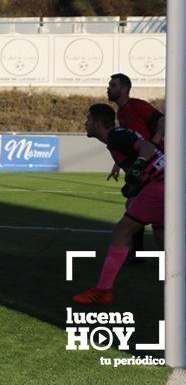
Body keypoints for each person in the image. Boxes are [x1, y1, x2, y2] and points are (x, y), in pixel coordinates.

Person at [73, 104, 165, 305]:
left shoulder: (116, 136)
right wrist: (135, 184)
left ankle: (103, 290)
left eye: (88, 119)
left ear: (97, 122)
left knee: (121, 232)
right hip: (162, 183)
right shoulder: (116, 137)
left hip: (160, 184)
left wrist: (139, 167)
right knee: (161, 237)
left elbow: (148, 147)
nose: (85, 123)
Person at [106, 73, 165, 262]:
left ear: (124, 89)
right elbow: (131, 141)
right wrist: (117, 164)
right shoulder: (121, 113)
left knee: (133, 203)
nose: (108, 88)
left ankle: (136, 254)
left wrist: (153, 143)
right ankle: (138, 254)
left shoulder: (138, 105)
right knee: (134, 203)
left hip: (157, 162)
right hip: (146, 162)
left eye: (113, 85)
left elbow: (162, 121)